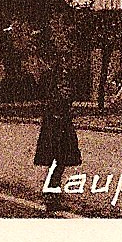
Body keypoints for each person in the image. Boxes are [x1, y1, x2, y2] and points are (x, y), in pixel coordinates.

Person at [34, 63, 81, 215]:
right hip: (56, 128)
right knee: (58, 161)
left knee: (61, 161)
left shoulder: (65, 81)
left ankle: (52, 194)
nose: (67, 89)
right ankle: (51, 196)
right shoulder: (53, 83)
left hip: (62, 126)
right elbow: (53, 107)